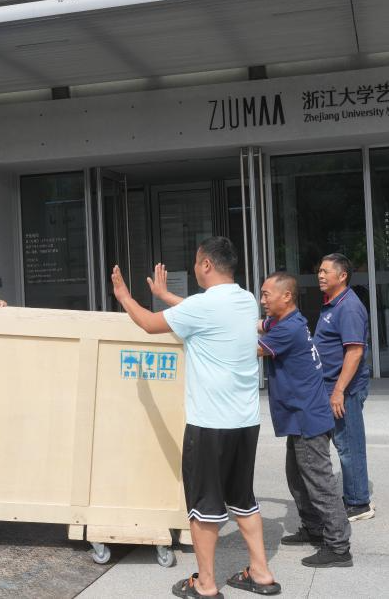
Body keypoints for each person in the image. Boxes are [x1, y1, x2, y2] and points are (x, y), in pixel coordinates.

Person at [111, 239, 280, 598]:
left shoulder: (203, 306)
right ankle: (261, 573)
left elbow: (149, 324)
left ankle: (205, 584)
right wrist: (163, 295)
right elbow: (196, 312)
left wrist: (124, 296)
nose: (194, 267)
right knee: (243, 500)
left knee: (204, 508)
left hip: (210, 426)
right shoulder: (245, 299)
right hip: (245, 422)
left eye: (195, 262)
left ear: (206, 265)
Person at [258, 272, 353, 569]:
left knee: (319, 483)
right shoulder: (285, 320)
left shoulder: (288, 329)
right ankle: (313, 528)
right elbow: (259, 326)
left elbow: (254, 348)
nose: (262, 300)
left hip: (307, 417)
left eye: (266, 294)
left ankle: (338, 547)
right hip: (300, 415)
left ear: (286, 296)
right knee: (297, 477)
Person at [313, 253, 374, 522]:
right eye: (319, 271)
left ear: (342, 275)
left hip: (344, 389)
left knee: (349, 445)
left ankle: (359, 503)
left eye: (326, 271)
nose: (320, 275)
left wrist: (338, 391)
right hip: (331, 386)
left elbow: (354, 352)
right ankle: (354, 495)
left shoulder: (348, 307)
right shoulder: (332, 303)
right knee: (343, 443)